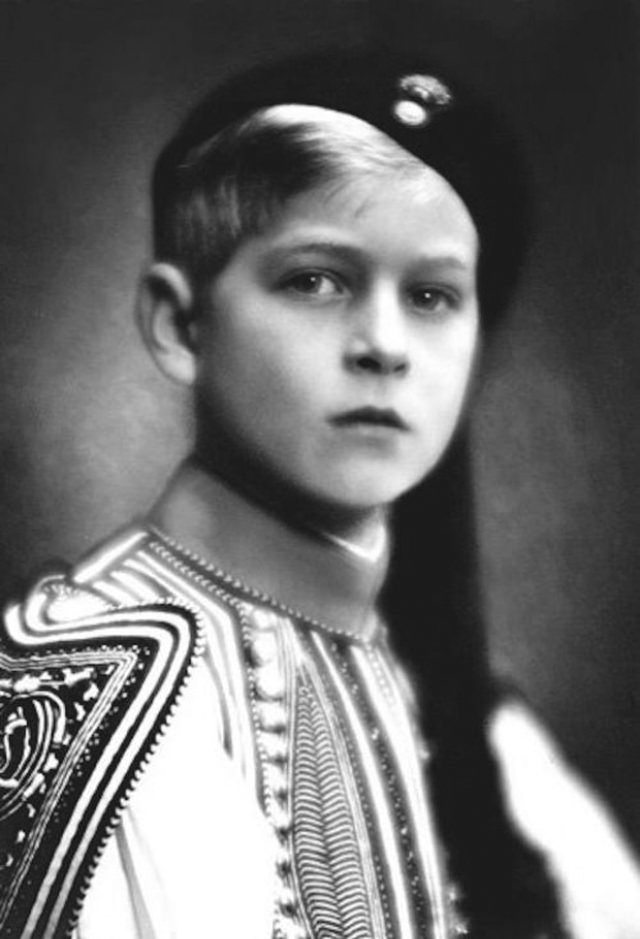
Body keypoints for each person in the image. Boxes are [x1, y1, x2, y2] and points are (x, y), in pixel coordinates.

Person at [1, 48, 639, 939]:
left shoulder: (475, 719)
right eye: (316, 280)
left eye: (431, 294)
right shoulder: (101, 701)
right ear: (182, 325)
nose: (384, 343)